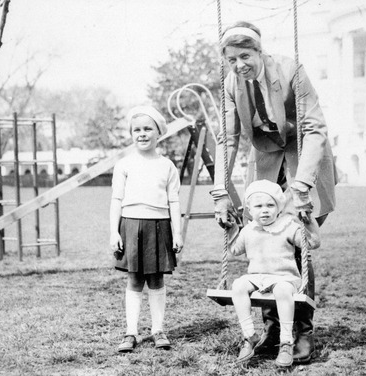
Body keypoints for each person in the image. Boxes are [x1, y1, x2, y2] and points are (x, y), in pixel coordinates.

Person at [210, 21, 337, 363]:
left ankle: (302, 333)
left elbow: (313, 127)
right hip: (266, 164)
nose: (240, 65)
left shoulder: (291, 70)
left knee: (293, 247)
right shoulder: (231, 84)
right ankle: (274, 331)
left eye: (246, 56)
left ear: (259, 50)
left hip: (304, 161)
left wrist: (302, 184)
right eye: (232, 59)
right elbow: (228, 138)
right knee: (264, 241)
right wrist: (221, 191)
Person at [110, 105, 183, 353]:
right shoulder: (124, 164)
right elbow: (116, 200)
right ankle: (131, 332)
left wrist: (178, 232)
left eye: (147, 129)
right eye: (137, 129)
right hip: (130, 224)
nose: (142, 134)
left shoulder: (167, 166)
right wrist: (113, 231)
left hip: (159, 225)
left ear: (158, 132)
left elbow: (174, 201)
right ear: (131, 133)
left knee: (156, 278)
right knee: (134, 279)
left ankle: (157, 330)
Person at [230, 180, 320, 367]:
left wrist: (308, 221)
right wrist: (230, 228)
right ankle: (249, 335)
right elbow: (234, 250)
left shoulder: (287, 226)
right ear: (250, 209)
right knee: (237, 286)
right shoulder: (249, 229)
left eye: (270, 205)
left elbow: (312, 243)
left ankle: (286, 342)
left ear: (279, 207)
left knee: (281, 291)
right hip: (257, 277)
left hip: (284, 278)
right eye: (259, 206)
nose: (265, 210)